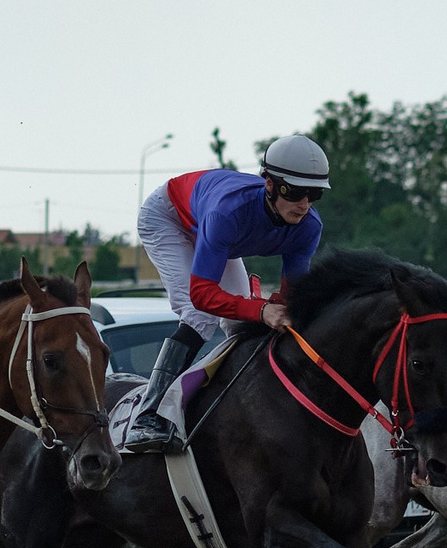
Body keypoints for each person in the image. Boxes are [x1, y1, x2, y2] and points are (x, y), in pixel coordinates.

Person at [121, 135, 329, 454]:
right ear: (270, 185)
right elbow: (202, 295)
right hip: (168, 218)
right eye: (294, 192)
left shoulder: (309, 227)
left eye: (314, 194)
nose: (304, 204)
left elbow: (292, 297)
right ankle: (148, 417)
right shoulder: (228, 214)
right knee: (199, 315)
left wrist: (277, 308)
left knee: (238, 324)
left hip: (215, 231)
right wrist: (261, 310)